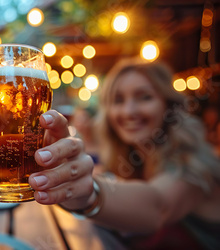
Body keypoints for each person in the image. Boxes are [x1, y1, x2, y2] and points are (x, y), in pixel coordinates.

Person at [28, 58, 220, 249]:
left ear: (169, 105)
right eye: (118, 100)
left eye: (144, 97)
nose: (129, 111)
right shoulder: (132, 159)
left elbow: (157, 206)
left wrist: (89, 193)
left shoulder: (192, 163)